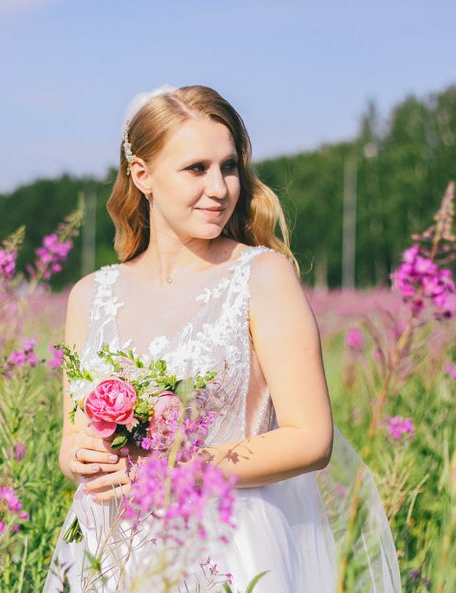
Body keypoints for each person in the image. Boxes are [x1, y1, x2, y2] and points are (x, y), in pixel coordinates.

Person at [43, 84, 401, 593]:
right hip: (112, 547)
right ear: (142, 175)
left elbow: (312, 438)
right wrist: (77, 458)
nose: (219, 188)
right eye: (196, 168)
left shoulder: (261, 277)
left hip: (230, 545)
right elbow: (73, 436)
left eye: (228, 166)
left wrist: (182, 471)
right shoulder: (90, 295)